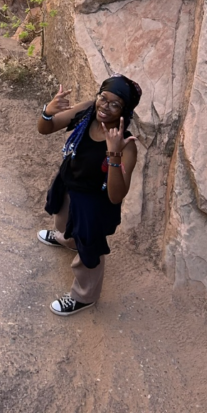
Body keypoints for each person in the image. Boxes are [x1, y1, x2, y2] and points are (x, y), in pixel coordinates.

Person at [36, 75, 142, 316]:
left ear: (126, 110)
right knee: (64, 222)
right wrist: (48, 111)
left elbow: (116, 196)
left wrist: (113, 154)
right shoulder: (86, 111)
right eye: (103, 98)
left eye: (115, 104)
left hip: (94, 204)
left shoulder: (126, 144)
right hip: (70, 185)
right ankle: (68, 240)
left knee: (90, 249)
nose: (105, 107)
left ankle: (84, 296)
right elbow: (46, 128)